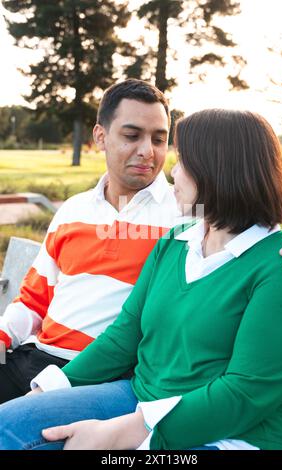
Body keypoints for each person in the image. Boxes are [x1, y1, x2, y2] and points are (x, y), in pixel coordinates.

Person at [0, 108, 282, 451]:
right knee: (9, 425)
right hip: (139, 395)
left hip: (235, 434)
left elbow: (245, 395)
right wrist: (50, 389)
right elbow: (123, 336)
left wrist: (120, 433)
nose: (171, 171)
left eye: (183, 161)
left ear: (217, 170)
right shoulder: (174, 241)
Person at [0, 79, 179, 404]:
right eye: (132, 135)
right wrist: (3, 336)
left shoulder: (185, 215)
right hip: (35, 358)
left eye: (159, 139)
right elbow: (33, 301)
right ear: (100, 136)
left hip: (101, 377)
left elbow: (253, 249)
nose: (147, 151)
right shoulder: (73, 209)